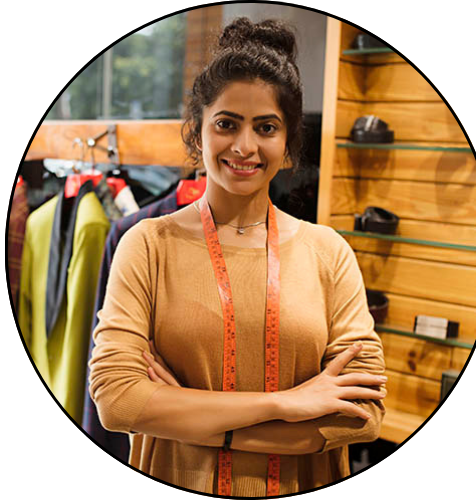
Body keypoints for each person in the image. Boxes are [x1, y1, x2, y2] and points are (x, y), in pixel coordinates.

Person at [88, 17, 386, 496]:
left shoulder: (328, 252)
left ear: (287, 145)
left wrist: (192, 419)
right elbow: (117, 401)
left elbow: (363, 416)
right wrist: (288, 403)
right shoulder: (147, 244)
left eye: (266, 128)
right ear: (197, 133)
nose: (245, 146)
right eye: (227, 124)